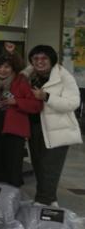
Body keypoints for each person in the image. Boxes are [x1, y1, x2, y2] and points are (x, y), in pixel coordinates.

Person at [25, 45, 82, 206]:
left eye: (44, 58)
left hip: (58, 130)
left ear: (52, 60)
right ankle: (48, 199)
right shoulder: (30, 75)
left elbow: (73, 103)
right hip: (35, 128)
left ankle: (44, 200)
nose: (40, 61)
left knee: (50, 168)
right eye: (36, 58)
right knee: (38, 165)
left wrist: (47, 97)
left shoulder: (64, 76)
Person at [0, 54, 42, 187]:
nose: (2, 70)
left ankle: (12, 194)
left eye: (7, 67)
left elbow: (36, 106)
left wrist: (16, 101)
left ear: (13, 68)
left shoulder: (21, 82)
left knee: (13, 167)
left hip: (14, 132)